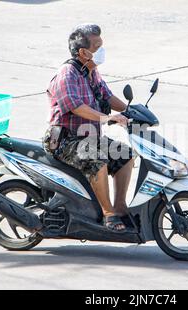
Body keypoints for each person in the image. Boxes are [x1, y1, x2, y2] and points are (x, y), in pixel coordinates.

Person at [46, 24, 134, 232]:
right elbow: (75, 107)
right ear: (83, 52)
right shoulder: (67, 74)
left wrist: (132, 112)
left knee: (126, 155)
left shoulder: (92, 72)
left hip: (88, 138)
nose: (101, 50)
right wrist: (106, 118)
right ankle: (108, 213)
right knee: (97, 158)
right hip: (66, 140)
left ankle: (120, 207)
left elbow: (108, 96)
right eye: (97, 46)